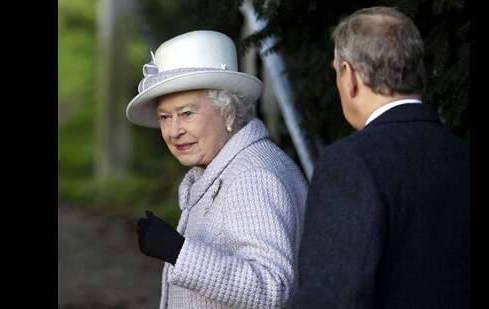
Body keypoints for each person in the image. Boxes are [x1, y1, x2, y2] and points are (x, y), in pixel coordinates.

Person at [287, 6, 469, 309]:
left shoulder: (350, 163)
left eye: (337, 72)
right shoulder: (460, 154)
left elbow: (331, 296)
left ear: (350, 76)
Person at [125, 30, 308, 309]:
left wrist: (179, 252)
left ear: (229, 112)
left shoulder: (251, 177)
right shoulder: (225, 167)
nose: (174, 131)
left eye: (187, 113)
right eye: (165, 117)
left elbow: (272, 288)